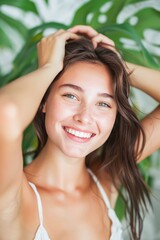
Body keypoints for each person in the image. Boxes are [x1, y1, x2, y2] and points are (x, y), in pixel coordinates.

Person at [0, 25, 159, 240]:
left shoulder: (107, 181)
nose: (85, 117)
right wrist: (49, 67)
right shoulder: (11, 193)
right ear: (44, 101)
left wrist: (120, 66)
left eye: (103, 104)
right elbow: (5, 112)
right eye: (71, 96)